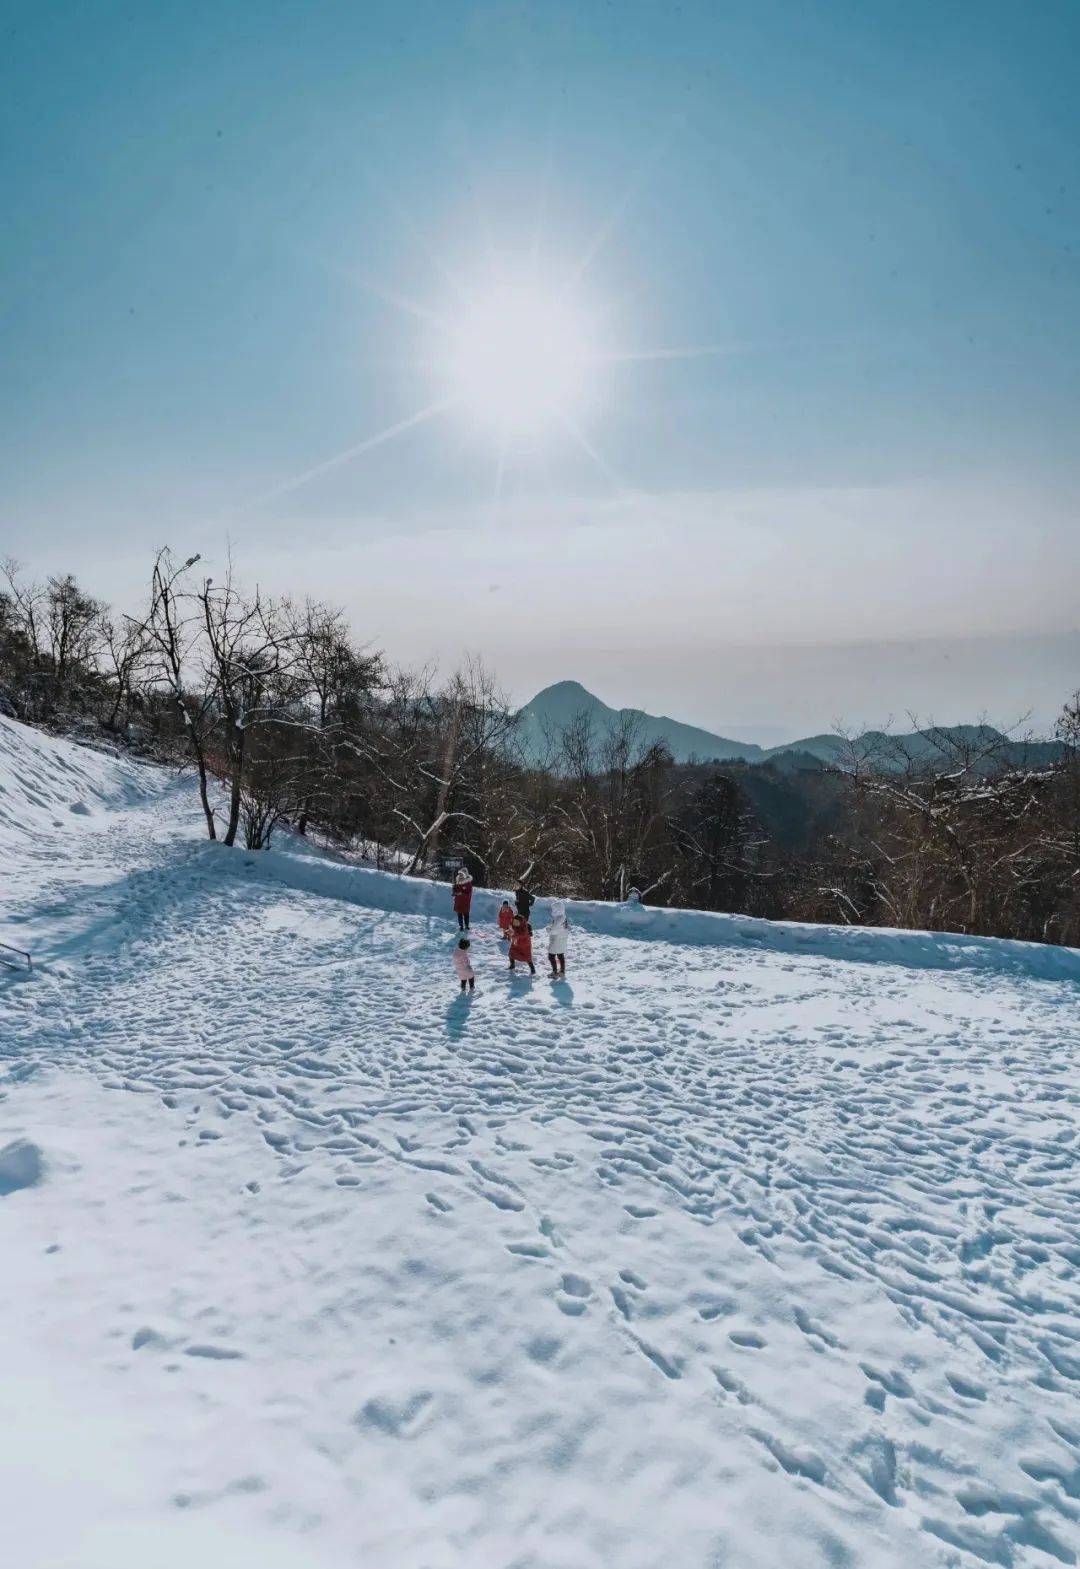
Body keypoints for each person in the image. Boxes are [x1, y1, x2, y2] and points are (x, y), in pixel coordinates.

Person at [546, 900, 570, 977]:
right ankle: (562, 971)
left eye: (553, 909)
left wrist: (548, 928)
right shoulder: (564, 918)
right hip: (562, 940)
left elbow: (553, 931)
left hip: (556, 940)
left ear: (557, 909)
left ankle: (554, 971)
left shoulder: (558, 919)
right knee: (560, 955)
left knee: (551, 956)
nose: (552, 911)